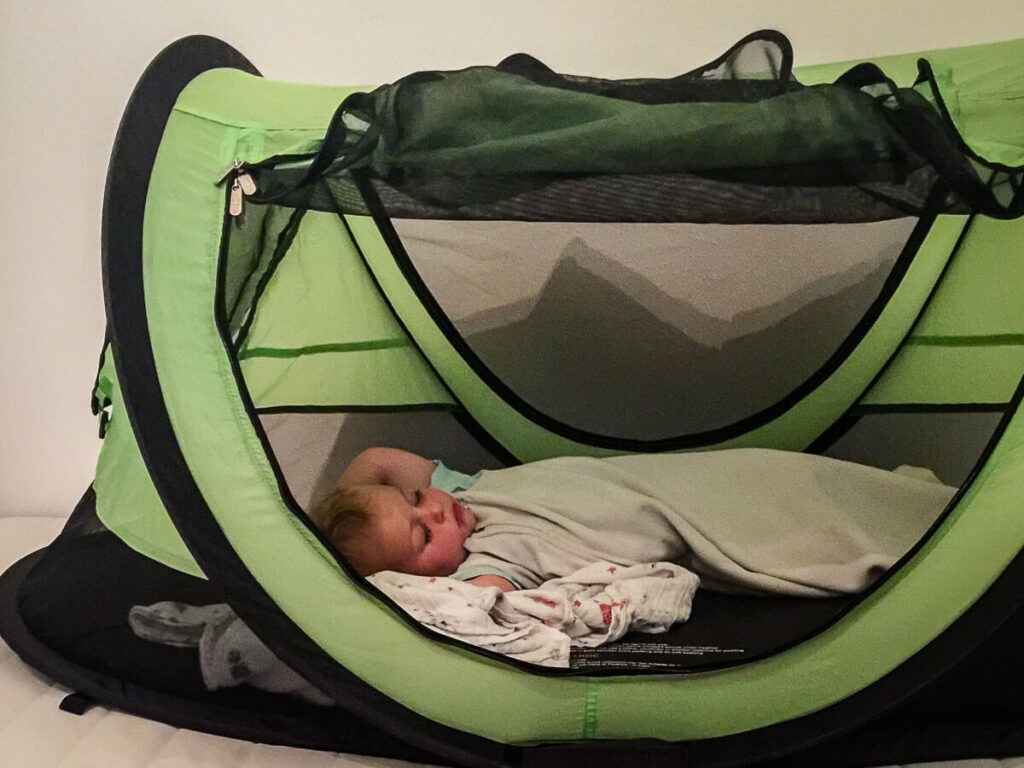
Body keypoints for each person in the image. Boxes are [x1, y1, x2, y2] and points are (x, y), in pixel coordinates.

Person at [309, 446, 956, 597]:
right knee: (805, 529)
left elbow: (371, 459)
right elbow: (476, 611)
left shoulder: (460, 492)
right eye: (422, 534)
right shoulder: (488, 561)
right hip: (678, 518)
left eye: (416, 498)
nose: (431, 508)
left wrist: (357, 516)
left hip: (685, 477)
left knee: (783, 476)